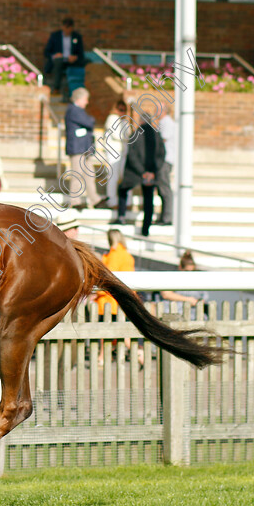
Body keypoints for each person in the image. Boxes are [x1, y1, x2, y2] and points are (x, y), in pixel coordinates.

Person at [114, 107, 165, 236]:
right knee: (149, 199)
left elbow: (132, 155)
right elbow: (161, 154)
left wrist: (142, 171)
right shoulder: (157, 135)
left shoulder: (136, 134)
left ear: (141, 121)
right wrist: (152, 171)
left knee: (123, 190)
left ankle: (121, 216)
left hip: (135, 172)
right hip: (151, 172)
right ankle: (145, 228)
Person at [94, 229, 142, 366]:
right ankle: (103, 356)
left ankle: (137, 354)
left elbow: (108, 278)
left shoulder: (114, 256)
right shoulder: (126, 255)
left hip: (110, 300)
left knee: (110, 331)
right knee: (114, 331)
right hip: (121, 299)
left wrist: (98, 293)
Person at [65, 87, 99, 210]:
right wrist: (91, 120)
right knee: (77, 174)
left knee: (90, 174)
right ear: (79, 99)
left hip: (84, 148)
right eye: (85, 99)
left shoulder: (78, 111)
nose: (87, 102)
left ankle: (95, 199)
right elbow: (89, 122)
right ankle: (75, 201)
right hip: (77, 148)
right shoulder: (74, 110)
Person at [44, 17, 86, 99]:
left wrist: (75, 57)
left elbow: (81, 53)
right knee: (58, 62)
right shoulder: (55, 36)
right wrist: (55, 55)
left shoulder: (77, 37)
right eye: (66, 28)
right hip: (59, 60)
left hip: (72, 61)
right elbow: (46, 52)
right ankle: (56, 88)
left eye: (69, 28)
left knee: (85, 62)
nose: (67, 30)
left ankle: (74, 89)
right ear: (62, 27)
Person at [159, 251, 207, 319]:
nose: (189, 274)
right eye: (186, 271)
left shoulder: (198, 280)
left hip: (194, 315)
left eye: (192, 271)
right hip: (175, 313)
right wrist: (188, 299)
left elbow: (204, 298)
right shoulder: (172, 277)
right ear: (180, 267)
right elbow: (166, 294)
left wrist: (198, 302)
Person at [102, 99, 129, 211]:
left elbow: (128, 135)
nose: (122, 112)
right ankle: (112, 201)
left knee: (124, 177)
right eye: (120, 109)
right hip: (113, 152)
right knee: (113, 176)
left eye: (124, 110)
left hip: (123, 152)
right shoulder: (112, 119)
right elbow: (118, 135)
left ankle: (126, 202)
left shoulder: (125, 122)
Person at [155, 103, 175, 226]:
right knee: (162, 189)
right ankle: (164, 216)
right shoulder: (164, 122)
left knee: (164, 188)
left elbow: (161, 140)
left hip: (165, 159)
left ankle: (167, 217)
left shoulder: (166, 123)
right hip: (164, 159)